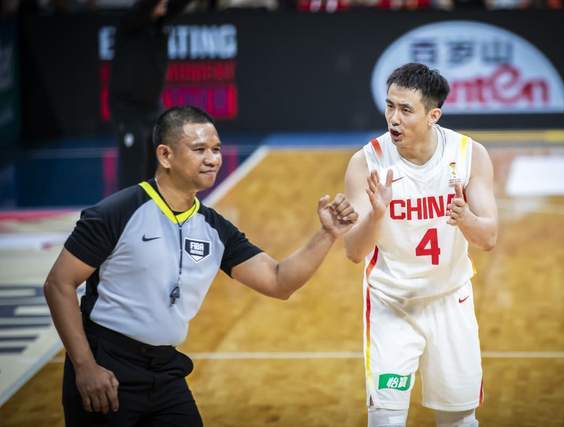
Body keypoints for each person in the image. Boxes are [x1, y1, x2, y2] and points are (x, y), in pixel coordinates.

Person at [44, 105, 358, 427]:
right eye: (199, 150)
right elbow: (58, 284)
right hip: (107, 368)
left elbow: (278, 281)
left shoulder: (214, 228)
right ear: (165, 155)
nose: (213, 159)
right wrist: (85, 366)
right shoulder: (116, 212)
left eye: (216, 149)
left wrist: (327, 234)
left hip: (166, 370)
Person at [343, 63, 498, 427]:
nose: (393, 118)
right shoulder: (366, 162)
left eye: (405, 109)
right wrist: (377, 214)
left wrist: (466, 219)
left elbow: (489, 238)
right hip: (391, 303)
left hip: (450, 299)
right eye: (389, 106)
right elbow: (353, 252)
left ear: (433, 116)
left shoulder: (470, 154)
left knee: (459, 419)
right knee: (385, 419)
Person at [109, 0, 192, 189]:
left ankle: (150, 205)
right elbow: (143, 8)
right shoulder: (129, 24)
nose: (165, 3)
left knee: (156, 168)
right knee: (132, 173)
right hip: (128, 110)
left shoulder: (160, 24)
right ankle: (130, 207)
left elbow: (178, 5)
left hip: (153, 108)